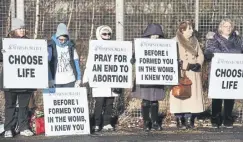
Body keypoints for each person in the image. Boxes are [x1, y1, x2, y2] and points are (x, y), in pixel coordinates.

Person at [204, 19, 243, 128]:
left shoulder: (238, 40)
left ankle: (228, 119)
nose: (228, 28)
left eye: (230, 26)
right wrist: (209, 54)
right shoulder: (214, 39)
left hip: (232, 73)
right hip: (219, 73)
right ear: (221, 27)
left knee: (230, 96)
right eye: (226, 26)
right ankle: (215, 119)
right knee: (217, 96)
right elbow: (208, 51)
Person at [83, 25, 122, 132]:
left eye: (109, 34)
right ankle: (96, 123)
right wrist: (86, 79)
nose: (107, 36)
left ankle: (107, 123)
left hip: (111, 80)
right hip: (99, 81)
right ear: (99, 34)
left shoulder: (115, 46)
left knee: (110, 102)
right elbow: (90, 63)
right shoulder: (95, 46)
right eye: (104, 34)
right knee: (99, 102)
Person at [1, 18, 34, 137]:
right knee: (10, 105)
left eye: (23, 28)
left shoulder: (30, 42)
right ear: (14, 29)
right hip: (10, 80)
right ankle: (8, 128)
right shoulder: (6, 42)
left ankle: (23, 127)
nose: (22, 30)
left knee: (24, 105)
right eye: (20, 28)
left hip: (25, 80)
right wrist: (2, 52)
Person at [169, 20, 204, 129]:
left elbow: (200, 54)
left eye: (192, 28)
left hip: (193, 73)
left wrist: (199, 63)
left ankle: (189, 119)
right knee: (179, 95)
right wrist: (187, 65)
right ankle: (179, 119)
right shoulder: (174, 41)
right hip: (181, 73)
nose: (192, 30)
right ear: (182, 30)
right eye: (189, 28)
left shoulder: (195, 41)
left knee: (192, 96)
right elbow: (173, 58)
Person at [131, 23, 165, 131]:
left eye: (157, 35)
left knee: (154, 101)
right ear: (148, 35)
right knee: (145, 101)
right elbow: (134, 56)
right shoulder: (141, 45)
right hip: (144, 77)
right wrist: (133, 59)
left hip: (157, 77)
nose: (155, 37)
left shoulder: (164, 46)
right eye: (153, 35)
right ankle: (146, 122)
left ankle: (155, 121)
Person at [48, 23, 81, 88]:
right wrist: (49, 79)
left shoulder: (71, 47)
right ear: (57, 37)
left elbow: (76, 63)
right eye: (61, 39)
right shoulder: (51, 46)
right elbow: (47, 64)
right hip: (56, 81)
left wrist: (78, 78)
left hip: (70, 80)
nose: (63, 41)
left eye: (64, 40)